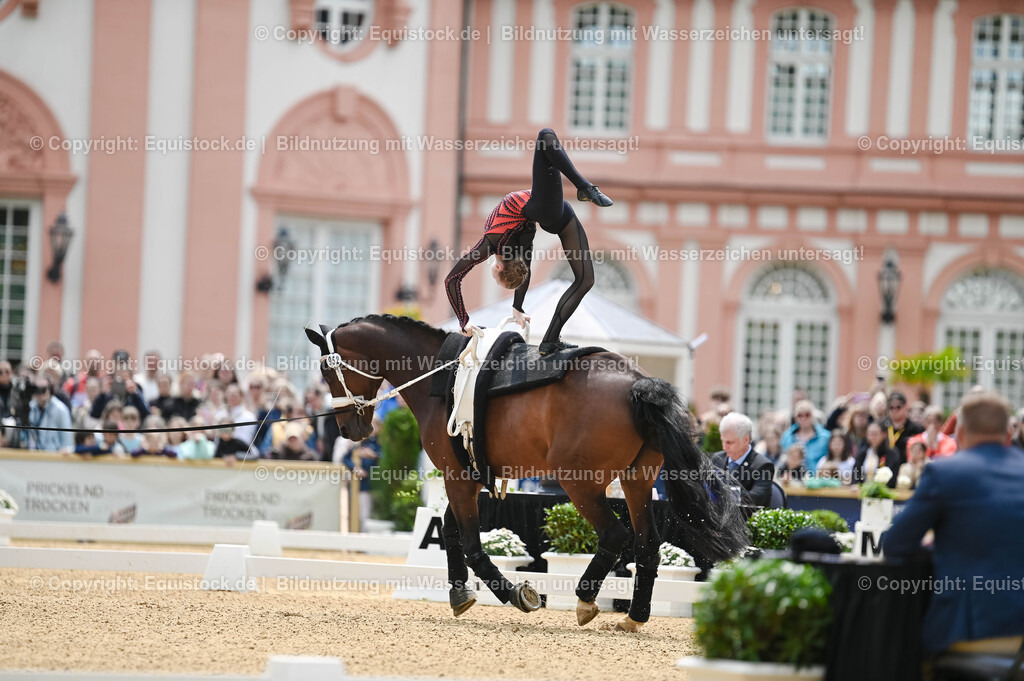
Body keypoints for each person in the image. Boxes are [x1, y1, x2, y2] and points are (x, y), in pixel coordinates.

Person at [444, 128, 612, 355]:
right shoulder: (491, 243)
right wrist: (463, 320)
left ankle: (550, 340)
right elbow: (451, 279)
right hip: (546, 208)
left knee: (586, 279)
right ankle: (584, 187)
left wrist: (516, 307)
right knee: (545, 136)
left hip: (557, 213)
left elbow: (525, 271)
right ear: (499, 266)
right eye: (496, 278)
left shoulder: (520, 246)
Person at [882, 392, 1024, 657]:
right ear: (1008, 435)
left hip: (968, 632)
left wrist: (939, 548)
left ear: (960, 433)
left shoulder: (944, 472)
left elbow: (894, 545)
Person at [710, 412, 774, 512]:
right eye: (723, 440)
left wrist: (721, 493)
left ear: (746, 440)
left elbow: (757, 498)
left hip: (747, 523)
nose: (724, 447)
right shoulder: (717, 458)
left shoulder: (763, 465)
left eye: (730, 442)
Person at [781, 400, 830, 474]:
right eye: (800, 415)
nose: (803, 418)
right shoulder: (787, 436)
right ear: (795, 417)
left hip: (816, 480)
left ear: (813, 416)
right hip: (792, 479)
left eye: (807, 415)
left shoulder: (825, 437)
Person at [27, 378, 73, 452]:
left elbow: (67, 440)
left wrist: (66, 450)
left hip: (53, 455)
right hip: (34, 455)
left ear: (49, 390)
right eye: (37, 389)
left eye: (43, 389)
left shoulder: (60, 409)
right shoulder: (31, 407)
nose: (40, 393)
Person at [853, 421, 901, 487]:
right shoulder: (863, 452)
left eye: (875, 434)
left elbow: (891, 475)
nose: (873, 437)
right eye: (870, 434)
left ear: (883, 435)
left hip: (883, 490)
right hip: (863, 489)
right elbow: (856, 471)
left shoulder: (891, 453)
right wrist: (856, 484)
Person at [883, 391, 924, 464]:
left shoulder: (916, 428)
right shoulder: (882, 426)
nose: (894, 410)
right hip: (885, 467)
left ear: (905, 407)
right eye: (891, 407)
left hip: (906, 467)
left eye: (898, 407)